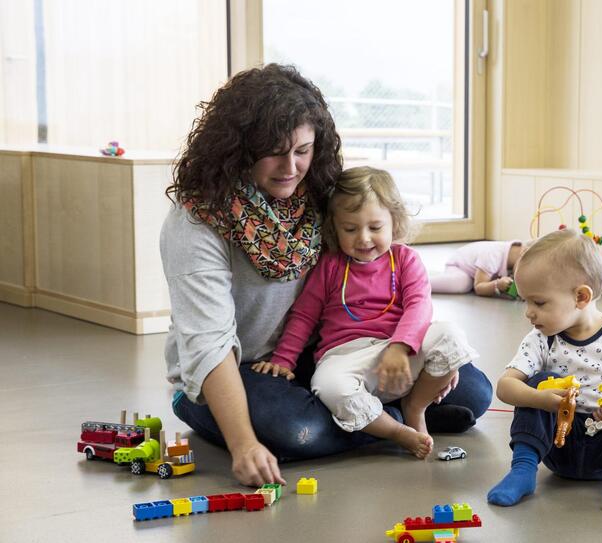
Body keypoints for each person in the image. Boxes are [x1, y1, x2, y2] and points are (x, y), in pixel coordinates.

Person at [161, 64, 491, 486]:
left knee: (475, 393)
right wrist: (244, 444)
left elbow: (387, 266)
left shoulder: (319, 196)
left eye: (302, 150)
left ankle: (373, 418)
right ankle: (383, 421)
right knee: (301, 432)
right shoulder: (197, 221)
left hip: (321, 355)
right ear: (237, 148)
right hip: (235, 368)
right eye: (274, 151)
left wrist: (414, 352)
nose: (290, 167)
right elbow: (208, 344)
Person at [253, 167, 476, 459]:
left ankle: (414, 407)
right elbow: (304, 316)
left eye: (375, 227)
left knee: (450, 335)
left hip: (400, 354)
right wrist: (284, 359)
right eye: (350, 229)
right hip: (347, 358)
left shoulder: (405, 259)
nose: (363, 238)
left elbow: (420, 306)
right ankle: (394, 431)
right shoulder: (331, 266)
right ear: (334, 228)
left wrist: (400, 348)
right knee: (328, 385)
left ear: (394, 223)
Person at [486, 229, 602, 511]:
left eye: (538, 302)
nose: (528, 312)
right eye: (525, 301)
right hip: (560, 447)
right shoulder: (541, 340)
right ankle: (523, 471)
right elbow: (505, 386)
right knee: (537, 383)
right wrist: (541, 398)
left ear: (581, 297)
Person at [429, 240, 523, 298]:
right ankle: (423, 282)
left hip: (479, 272)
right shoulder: (493, 256)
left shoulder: (517, 253)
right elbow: (479, 288)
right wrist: (497, 285)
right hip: (459, 265)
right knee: (464, 283)